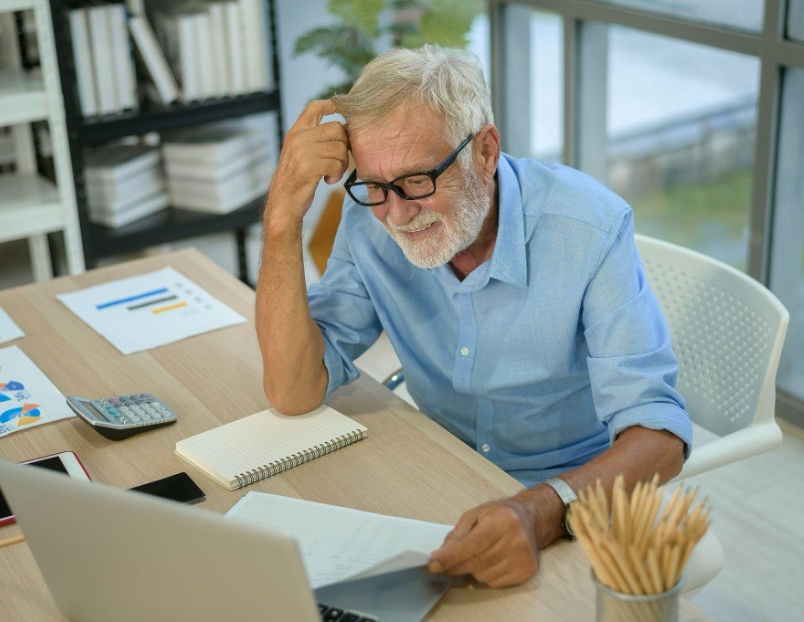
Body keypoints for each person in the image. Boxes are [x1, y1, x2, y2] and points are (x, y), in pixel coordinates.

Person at [255, 45, 692, 589]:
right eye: (374, 186)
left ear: (485, 150)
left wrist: (541, 511)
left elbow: (659, 435)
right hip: (442, 475)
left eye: (417, 181)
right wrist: (280, 221)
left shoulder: (590, 228)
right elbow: (293, 390)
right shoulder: (369, 217)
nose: (396, 214)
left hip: (571, 497)